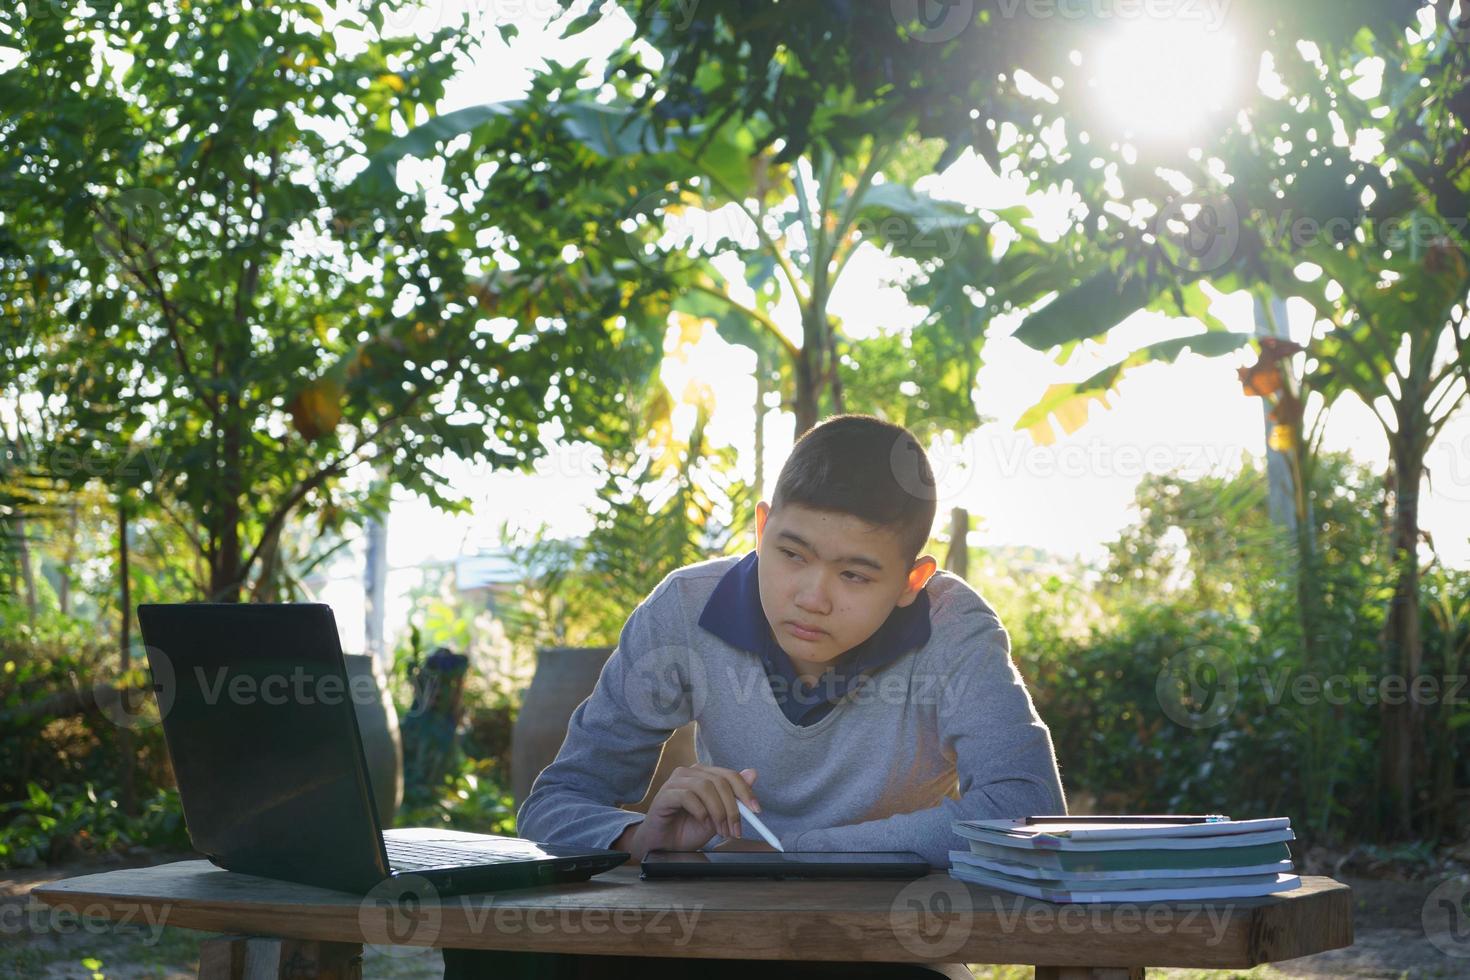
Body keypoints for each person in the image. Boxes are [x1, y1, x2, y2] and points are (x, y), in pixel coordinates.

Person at [444, 414, 1066, 979]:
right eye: (791, 554)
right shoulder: (684, 609)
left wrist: (793, 854)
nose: (812, 596)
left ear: (911, 581)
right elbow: (554, 803)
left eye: (854, 574)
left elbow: (1025, 811)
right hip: (708, 935)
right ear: (762, 526)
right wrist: (643, 838)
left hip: (887, 950)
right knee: (504, 959)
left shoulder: (953, 628)